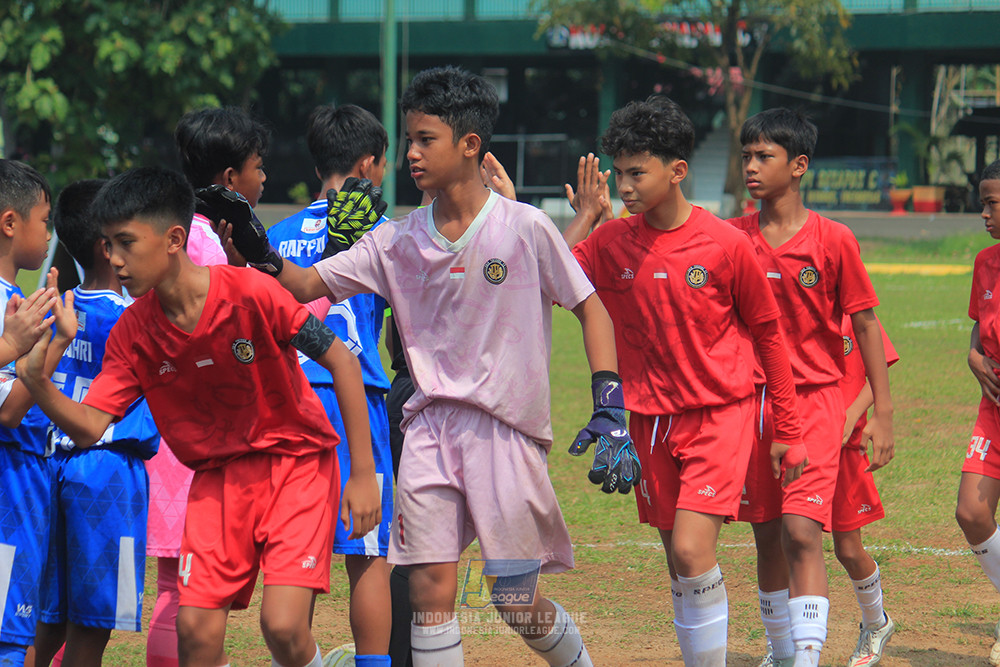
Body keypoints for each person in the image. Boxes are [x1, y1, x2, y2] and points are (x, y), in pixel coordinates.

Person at [218, 65, 635, 667]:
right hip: (429, 432)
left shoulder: (524, 227)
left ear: (470, 145)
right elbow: (307, 282)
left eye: (425, 139)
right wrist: (255, 251)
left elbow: (592, 310)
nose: (410, 153)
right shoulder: (395, 240)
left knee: (514, 597)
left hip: (505, 433)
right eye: (407, 139)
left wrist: (608, 402)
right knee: (429, 590)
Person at [15, 166, 381, 667]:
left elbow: (341, 359)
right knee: (194, 631)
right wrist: (35, 383)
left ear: (174, 239)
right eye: (107, 245)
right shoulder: (132, 333)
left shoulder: (251, 293)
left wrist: (362, 476)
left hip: (296, 468)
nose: (113, 259)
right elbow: (92, 425)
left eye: (125, 242)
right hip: (215, 483)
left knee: (283, 626)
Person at [567, 96, 805, 666]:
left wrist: (788, 429)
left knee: (692, 550)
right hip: (649, 421)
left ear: (677, 171)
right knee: (679, 560)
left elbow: (770, 336)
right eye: (617, 172)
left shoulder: (726, 245)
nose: (622, 185)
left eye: (636, 172)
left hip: (719, 416)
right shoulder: (610, 241)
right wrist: (581, 219)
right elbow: (550, 279)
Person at [729, 108, 894, 667]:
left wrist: (883, 413)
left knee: (803, 533)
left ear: (798, 166)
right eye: (746, 156)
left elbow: (867, 327)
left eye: (764, 156)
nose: (751, 166)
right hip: (751, 407)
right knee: (767, 534)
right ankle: (779, 652)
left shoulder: (833, 239)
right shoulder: (732, 238)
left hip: (817, 403)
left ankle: (805, 658)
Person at [143, 106, 270, 667]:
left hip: (162, 436)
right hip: (201, 446)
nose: (263, 179)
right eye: (257, 168)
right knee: (194, 596)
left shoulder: (162, 236)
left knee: (174, 587)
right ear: (228, 181)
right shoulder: (210, 247)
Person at [267, 103, 393, 667]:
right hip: (354, 401)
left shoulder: (274, 238)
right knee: (367, 555)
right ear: (368, 164)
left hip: (290, 401)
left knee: (299, 555)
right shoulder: (385, 233)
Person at [30, 180, 160, 667]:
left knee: (45, 618)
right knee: (91, 627)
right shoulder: (139, 318)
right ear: (109, 245)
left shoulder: (54, 310)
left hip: (50, 468)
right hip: (106, 474)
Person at [832, 314, 898, 667]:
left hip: (844, 447)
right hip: (799, 440)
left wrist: (853, 411)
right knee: (790, 540)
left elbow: (880, 369)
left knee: (848, 549)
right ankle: (782, 644)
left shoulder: (853, 315)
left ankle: (876, 622)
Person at [957, 159, 1000, 667]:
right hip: (992, 409)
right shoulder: (986, 262)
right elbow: (977, 328)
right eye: (983, 202)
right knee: (971, 510)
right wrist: (973, 356)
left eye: (992, 204)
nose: (983, 213)